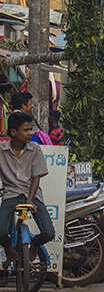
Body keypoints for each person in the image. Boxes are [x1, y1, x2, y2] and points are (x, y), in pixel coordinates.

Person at [0, 112, 55, 268]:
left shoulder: (35, 149)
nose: (31, 133)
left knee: (48, 233)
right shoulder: (1, 150)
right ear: (13, 132)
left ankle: (35, 245)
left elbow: (36, 178)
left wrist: (30, 202)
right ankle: (9, 248)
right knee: (1, 232)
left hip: (32, 194)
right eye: (26, 130)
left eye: (31, 129)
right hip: (10, 195)